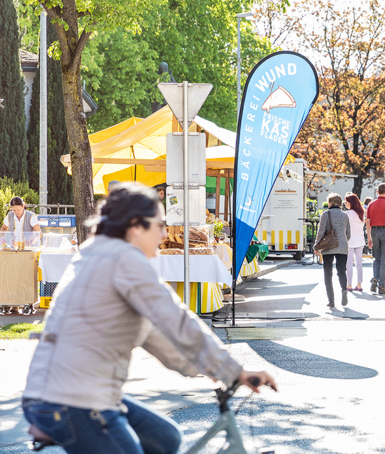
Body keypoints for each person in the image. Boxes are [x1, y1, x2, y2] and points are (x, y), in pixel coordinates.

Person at [21, 183, 276, 454]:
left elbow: (156, 333)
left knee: (164, 438)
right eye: (160, 224)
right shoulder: (124, 259)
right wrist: (233, 371)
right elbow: (176, 320)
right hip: (74, 399)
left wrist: (210, 369)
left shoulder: (97, 251)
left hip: (59, 390)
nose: (165, 233)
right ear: (135, 225)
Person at [313, 193, 352, 307]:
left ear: (330, 203)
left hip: (328, 246)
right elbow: (348, 233)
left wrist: (316, 246)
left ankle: (331, 301)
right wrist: (343, 242)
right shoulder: (345, 215)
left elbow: (321, 232)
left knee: (328, 273)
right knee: (341, 271)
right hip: (342, 246)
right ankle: (344, 290)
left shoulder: (326, 214)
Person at [344, 193, 367, 292]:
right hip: (360, 239)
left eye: (346, 201)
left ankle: (349, 284)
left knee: (349, 263)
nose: (345, 203)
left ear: (351, 203)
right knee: (359, 263)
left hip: (350, 240)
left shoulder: (348, 213)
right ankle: (359, 284)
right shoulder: (361, 212)